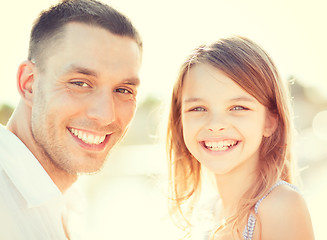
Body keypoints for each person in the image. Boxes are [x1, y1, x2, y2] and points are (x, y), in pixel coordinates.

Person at [0, 0, 142, 239]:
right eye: (80, 83)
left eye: (123, 90)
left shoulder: (71, 203)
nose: (106, 115)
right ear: (29, 83)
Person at [167, 36, 314, 239]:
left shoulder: (280, 206)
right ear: (180, 119)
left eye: (238, 107)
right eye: (198, 108)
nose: (216, 125)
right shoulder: (208, 212)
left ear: (270, 121)